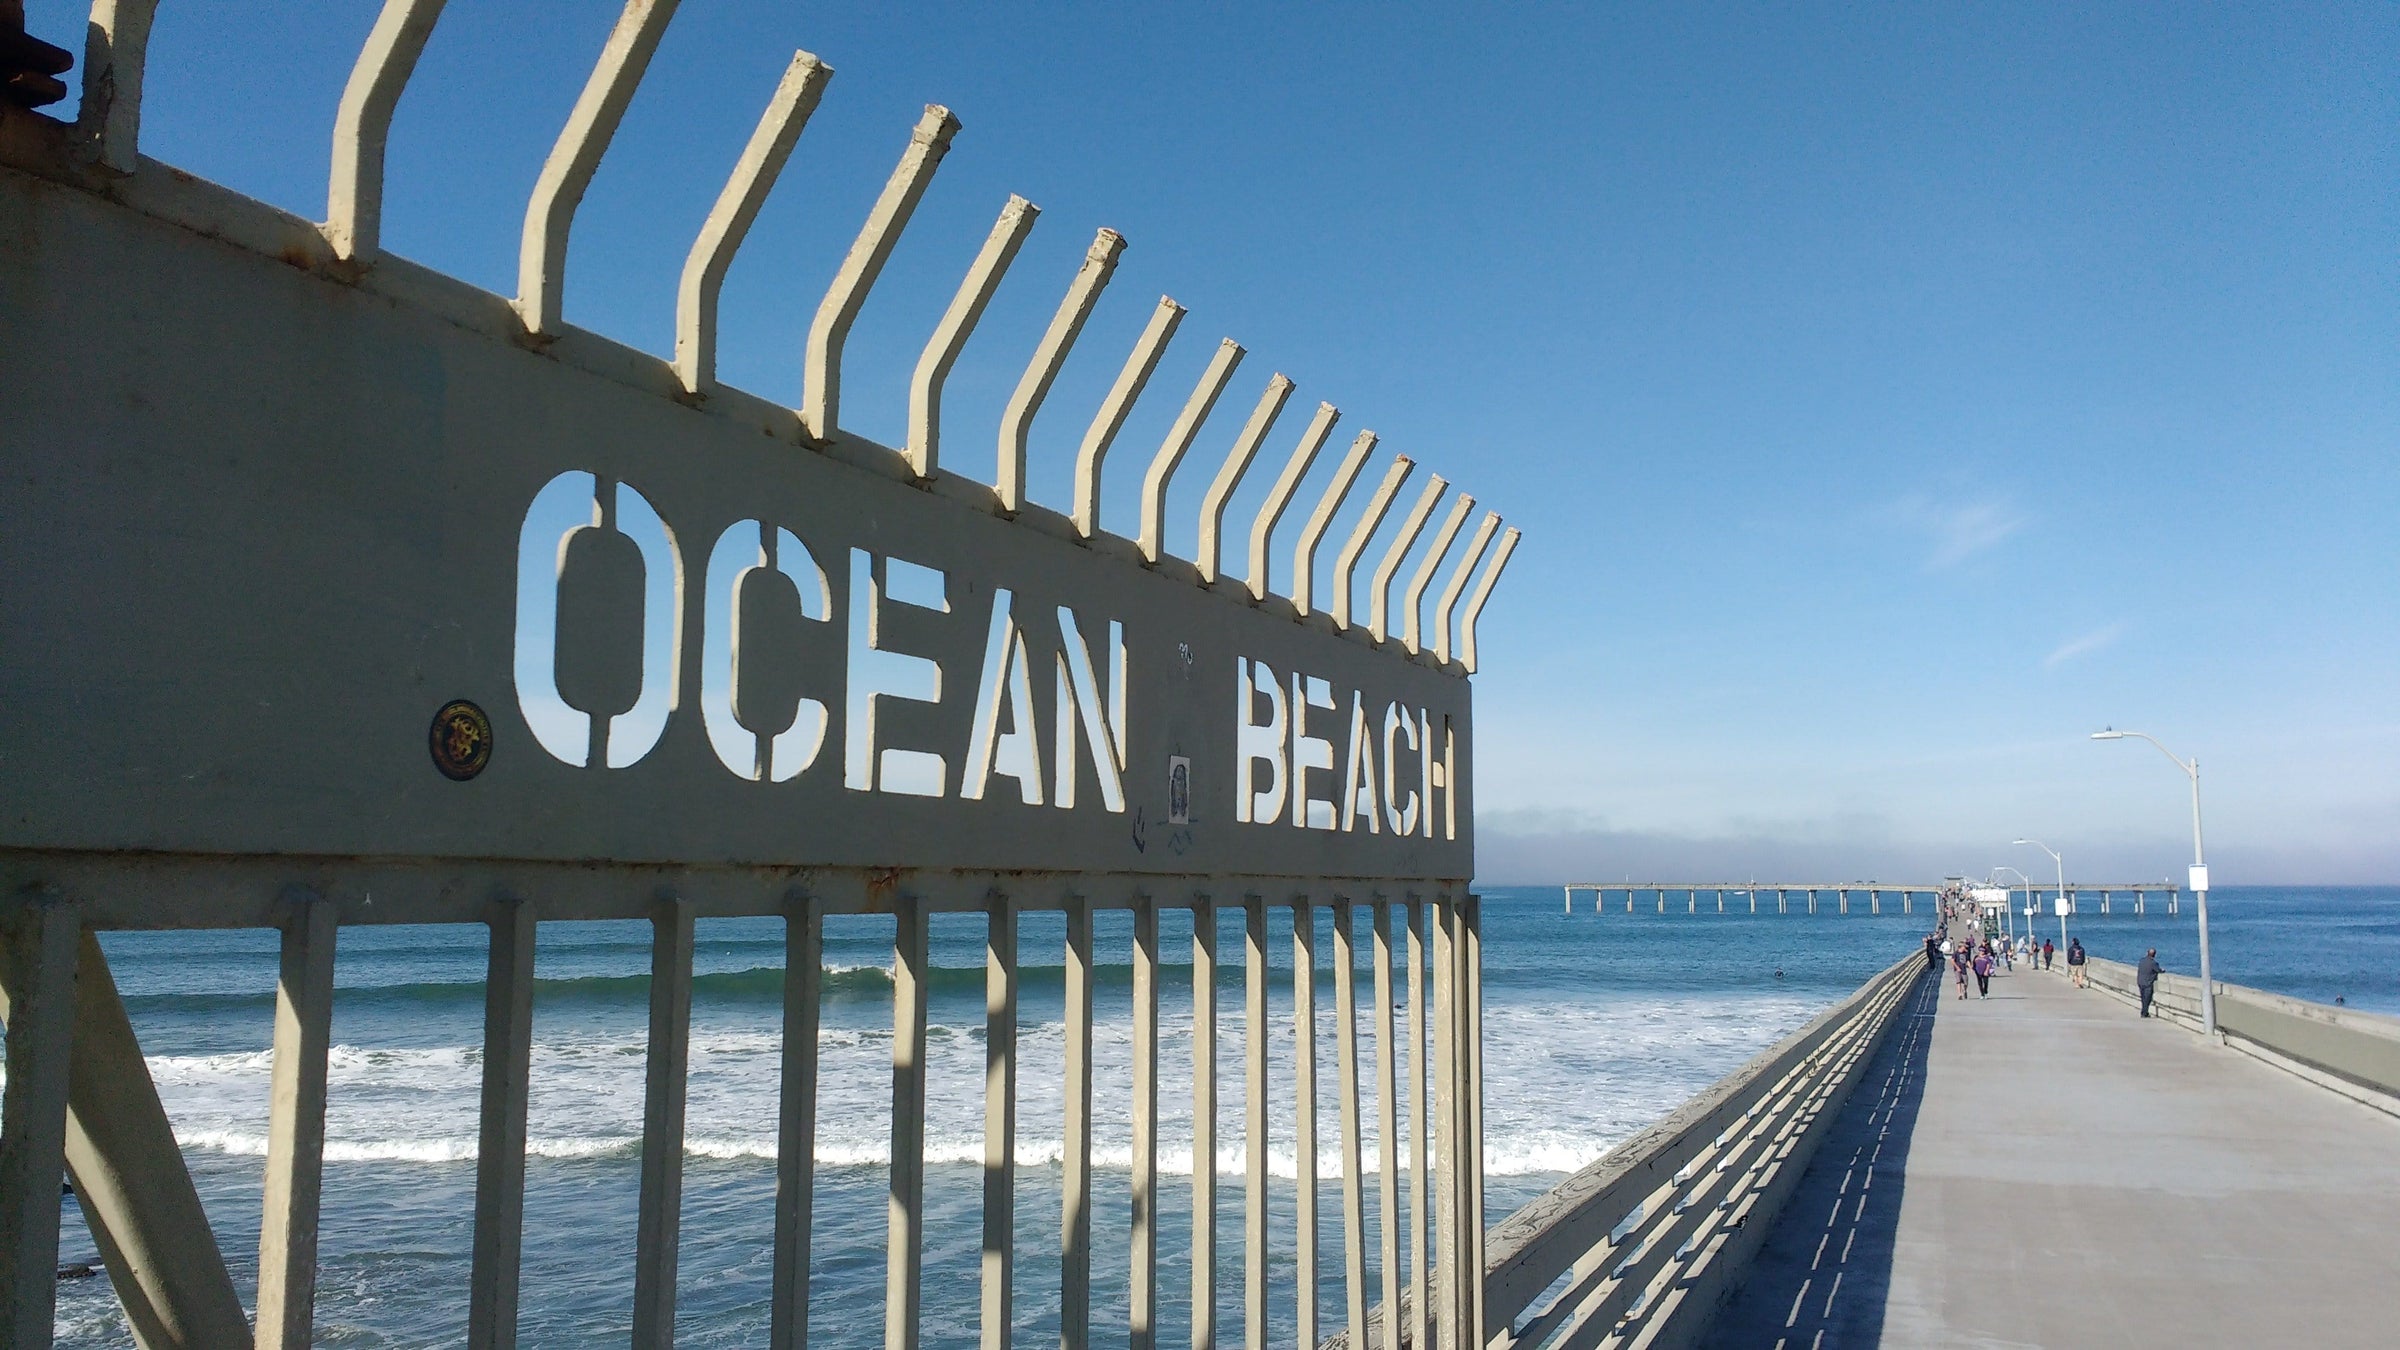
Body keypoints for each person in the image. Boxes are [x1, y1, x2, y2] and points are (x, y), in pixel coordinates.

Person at [2137, 948, 2163, 1018]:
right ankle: (2144, 1013)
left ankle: (2144, 1012)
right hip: (2148, 983)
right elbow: (2158, 970)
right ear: (2154, 955)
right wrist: (2162, 970)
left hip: (2140, 982)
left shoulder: (2141, 961)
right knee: (2147, 999)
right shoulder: (2153, 963)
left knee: (2143, 998)